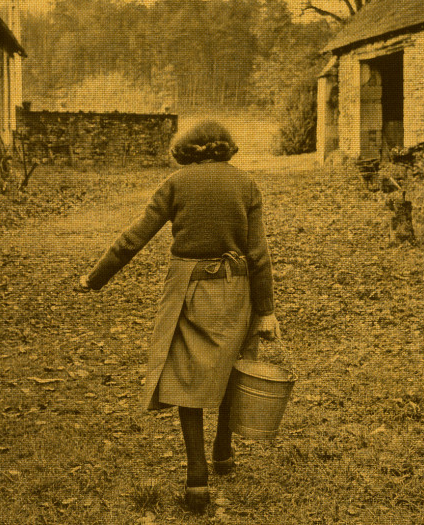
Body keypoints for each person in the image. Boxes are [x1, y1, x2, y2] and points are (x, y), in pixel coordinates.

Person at [79, 120, 280, 513]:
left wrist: (95, 278)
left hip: (188, 289)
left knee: (187, 376)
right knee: (229, 367)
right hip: (237, 291)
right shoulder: (247, 185)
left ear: (187, 149)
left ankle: (197, 479)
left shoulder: (175, 183)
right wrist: (267, 311)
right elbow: (259, 255)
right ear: (226, 148)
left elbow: (133, 238)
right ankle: (223, 450)